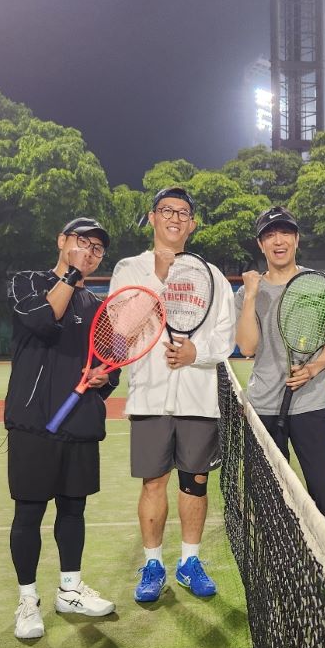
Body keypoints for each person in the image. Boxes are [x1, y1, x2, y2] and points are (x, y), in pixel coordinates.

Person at [109, 186, 235, 603]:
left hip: (199, 397)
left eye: (183, 213)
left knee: (195, 483)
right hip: (149, 395)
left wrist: (198, 353)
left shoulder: (212, 275)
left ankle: (189, 561)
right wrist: (159, 278)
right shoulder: (130, 269)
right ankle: (153, 565)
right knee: (153, 483)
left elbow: (225, 335)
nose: (175, 218)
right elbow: (122, 330)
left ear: (192, 224)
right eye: (167, 210)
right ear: (152, 218)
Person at [5, 218, 119, 641]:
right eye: (82, 242)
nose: (90, 252)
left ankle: (70, 590)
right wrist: (70, 275)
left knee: (73, 511)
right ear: (61, 241)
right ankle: (27, 600)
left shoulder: (99, 307)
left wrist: (104, 377)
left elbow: (112, 363)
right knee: (29, 513)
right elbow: (41, 321)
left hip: (79, 422)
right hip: (33, 422)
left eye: (97, 249)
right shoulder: (26, 283)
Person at [234, 205, 325, 538]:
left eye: (284, 233)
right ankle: (276, 558)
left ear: (296, 239)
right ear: (260, 244)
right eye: (270, 235)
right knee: (269, 493)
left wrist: (313, 368)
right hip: (265, 406)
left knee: (321, 489)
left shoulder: (320, 285)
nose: (278, 241)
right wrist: (251, 296)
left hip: (310, 405)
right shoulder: (246, 292)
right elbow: (248, 347)